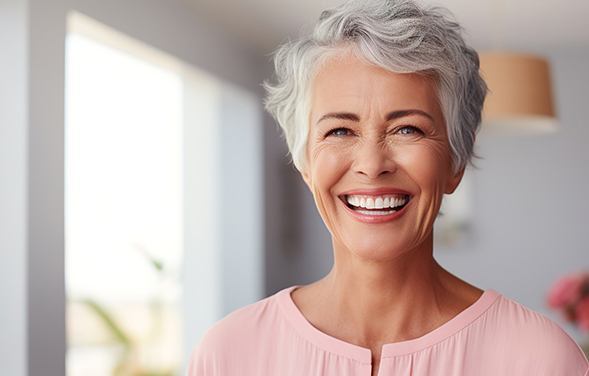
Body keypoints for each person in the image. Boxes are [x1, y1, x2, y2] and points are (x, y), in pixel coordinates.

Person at [187, 0, 589, 375]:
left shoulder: (540, 359)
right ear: (306, 163)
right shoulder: (230, 353)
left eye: (407, 129)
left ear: (455, 162)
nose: (372, 164)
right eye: (340, 130)